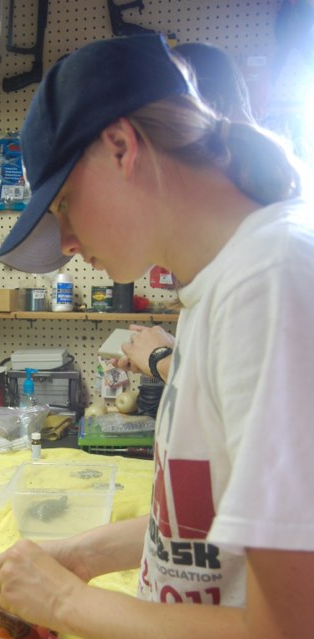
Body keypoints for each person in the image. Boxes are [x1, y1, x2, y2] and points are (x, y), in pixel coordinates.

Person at [0, 34, 314, 639]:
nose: (65, 243)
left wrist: (66, 603)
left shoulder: (271, 282)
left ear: (121, 145)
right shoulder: (221, 286)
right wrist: (86, 554)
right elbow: (220, 526)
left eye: (62, 203)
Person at [119, 41, 254, 383]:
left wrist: (160, 359)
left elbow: (241, 392)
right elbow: (230, 367)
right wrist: (173, 351)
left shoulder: (262, 255)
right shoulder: (222, 249)